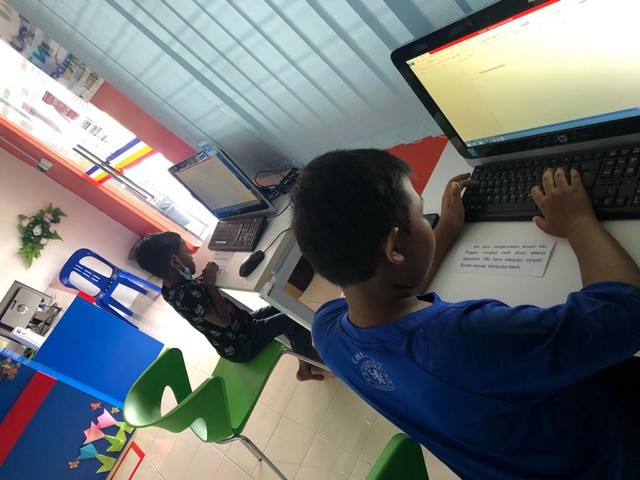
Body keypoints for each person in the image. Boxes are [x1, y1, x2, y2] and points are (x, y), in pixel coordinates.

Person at [290, 148, 640, 479]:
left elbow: (383, 291)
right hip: (604, 460)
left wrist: (445, 228)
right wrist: (578, 222)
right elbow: (627, 312)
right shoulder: (469, 338)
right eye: (421, 214)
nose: (427, 221)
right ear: (395, 248)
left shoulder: (327, 331)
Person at [134, 232, 325, 381]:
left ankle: (304, 349)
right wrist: (210, 284)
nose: (191, 256)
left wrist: (202, 280)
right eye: (186, 252)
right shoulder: (186, 295)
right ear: (175, 261)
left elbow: (192, 294)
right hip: (242, 344)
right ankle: (305, 368)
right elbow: (224, 321)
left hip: (243, 325)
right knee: (293, 319)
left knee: (281, 306)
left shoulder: (169, 289)